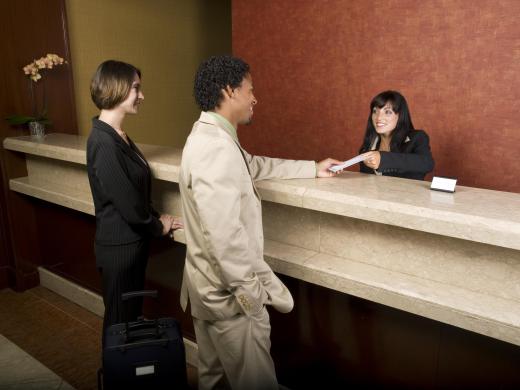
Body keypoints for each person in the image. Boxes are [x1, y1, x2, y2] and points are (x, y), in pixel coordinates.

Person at [179, 55, 341, 390]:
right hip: (229, 301)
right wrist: (252, 298)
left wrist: (312, 167)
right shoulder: (214, 147)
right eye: (250, 90)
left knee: (213, 380)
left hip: (207, 291)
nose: (255, 98)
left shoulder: (212, 136)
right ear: (229, 91)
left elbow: (252, 166)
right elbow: (223, 237)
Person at [86, 60, 182, 333]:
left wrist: (154, 216)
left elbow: (135, 190)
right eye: (136, 88)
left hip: (131, 246)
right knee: (119, 327)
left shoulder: (117, 136)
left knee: (128, 322)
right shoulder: (103, 142)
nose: (142, 95)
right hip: (119, 250)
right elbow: (128, 204)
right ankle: (117, 376)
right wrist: (157, 226)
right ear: (117, 88)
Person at [359, 90, 434, 180]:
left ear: (400, 115)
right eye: (375, 111)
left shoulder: (417, 138)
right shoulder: (368, 146)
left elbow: (426, 163)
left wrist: (383, 159)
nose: (378, 117)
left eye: (387, 112)